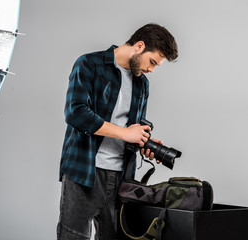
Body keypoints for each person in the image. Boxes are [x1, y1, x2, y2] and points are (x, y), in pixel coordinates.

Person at [57, 23, 178, 240]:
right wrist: (125, 133)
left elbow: (132, 128)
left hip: (122, 179)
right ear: (139, 46)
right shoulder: (88, 64)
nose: (152, 70)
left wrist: (142, 142)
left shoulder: (142, 84)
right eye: (152, 62)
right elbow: (75, 113)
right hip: (84, 172)